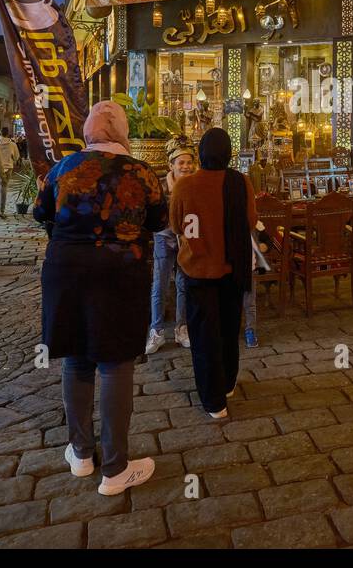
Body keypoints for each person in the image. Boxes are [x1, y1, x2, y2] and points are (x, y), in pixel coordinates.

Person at [34, 100, 165, 496]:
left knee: (76, 358)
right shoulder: (142, 173)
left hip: (66, 271)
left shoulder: (62, 169)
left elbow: (41, 213)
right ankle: (115, 468)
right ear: (122, 134)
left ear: (89, 134)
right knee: (114, 363)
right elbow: (159, 221)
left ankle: (81, 452)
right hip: (120, 274)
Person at [170, 128, 257, 419]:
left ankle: (214, 401)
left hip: (198, 271)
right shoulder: (240, 182)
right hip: (232, 270)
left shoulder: (185, 186)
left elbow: (175, 225)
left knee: (204, 336)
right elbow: (251, 221)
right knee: (229, 329)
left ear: (201, 153)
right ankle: (228, 383)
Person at [147, 137, 195, 355]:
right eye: (181, 163)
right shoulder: (160, 186)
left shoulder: (195, 184)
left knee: (183, 284)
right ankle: (156, 330)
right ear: (171, 165)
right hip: (164, 238)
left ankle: (181, 327)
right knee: (160, 285)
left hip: (186, 239)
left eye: (188, 162)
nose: (185, 167)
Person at [0, 126, 20, 219]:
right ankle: (2, 211)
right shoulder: (12, 144)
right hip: (8, 168)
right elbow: (16, 157)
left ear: (0, 133)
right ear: (8, 133)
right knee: (4, 189)